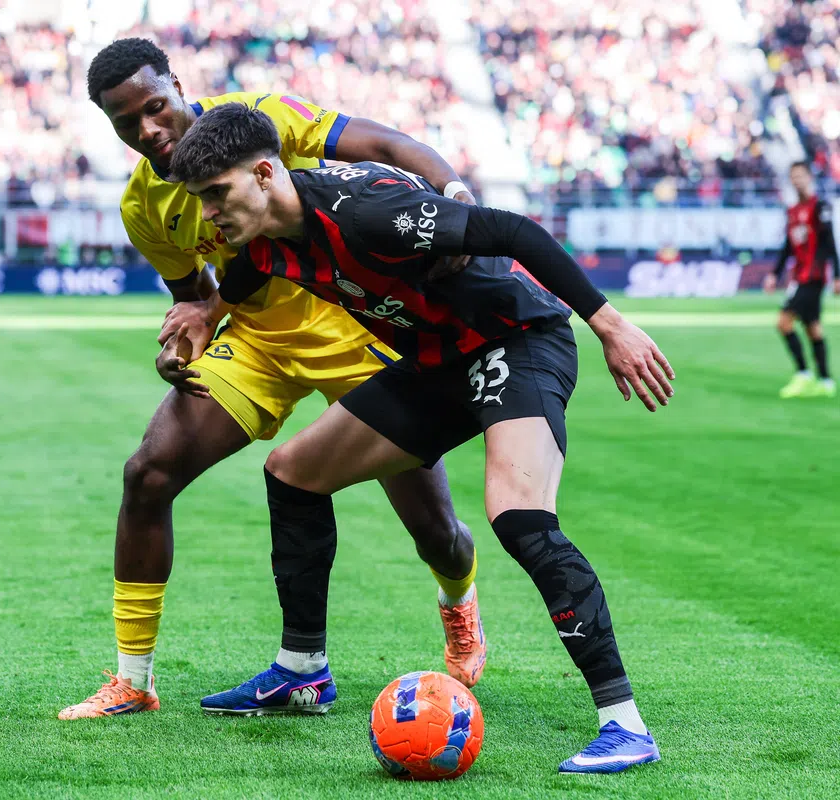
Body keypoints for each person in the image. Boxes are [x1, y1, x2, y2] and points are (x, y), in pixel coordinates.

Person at [161, 102, 674, 774]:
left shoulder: (367, 212)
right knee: (293, 472)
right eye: (199, 200)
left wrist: (610, 326)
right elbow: (248, 275)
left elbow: (514, 231)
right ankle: (302, 670)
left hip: (515, 339)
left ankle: (624, 724)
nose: (207, 215)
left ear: (263, 174)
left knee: (519, 516)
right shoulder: (262, 240)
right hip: (435, 363)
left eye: (216, 194)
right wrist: (208, 312)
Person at [59, 38, 485, 721]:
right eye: (126, 121)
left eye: (155, 106)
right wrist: (183, 342)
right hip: (259, 340)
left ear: (177, 85)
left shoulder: (261, 117)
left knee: (434, 529)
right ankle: (133, 680)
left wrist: (456, 195)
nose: (148, 129)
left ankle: (459, 604)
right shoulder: (143, 207)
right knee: (148, 474)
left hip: (359, 326)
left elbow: (387, 143)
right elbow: (198, 300)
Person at [763, 161, 838, 398]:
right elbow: (788, 247)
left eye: (801, 176)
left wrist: (837, 275)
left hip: (812, 277)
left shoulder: (820, 207)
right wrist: (775, 273)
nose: (797, 180)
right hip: (800, 276)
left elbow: (829, 242)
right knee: (812, 328)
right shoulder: (793, 211)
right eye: (793, 176)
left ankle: (803, 374)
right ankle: (825, 381)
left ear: (809, 178)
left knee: (784, 322)